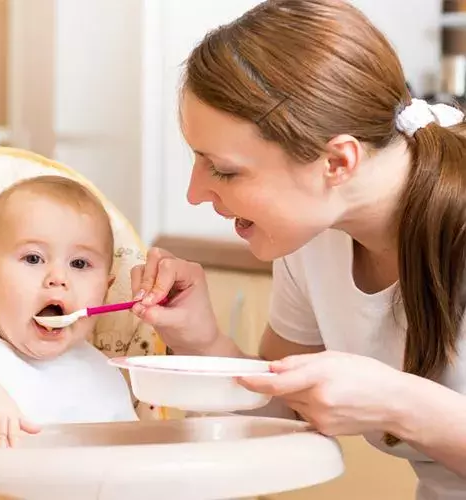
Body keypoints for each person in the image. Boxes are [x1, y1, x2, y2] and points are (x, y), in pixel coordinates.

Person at [130, 0, 466, 497]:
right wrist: (201, 340)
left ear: (337, 162)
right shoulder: (313, 239)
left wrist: (400, 403)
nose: (195, 193)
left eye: (223, 169)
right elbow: (283, 409)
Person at [0, 175, 138, 447]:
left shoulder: (103, 373)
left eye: (79, 263)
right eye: (33, 258)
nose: (58, 278)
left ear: (105, 293)